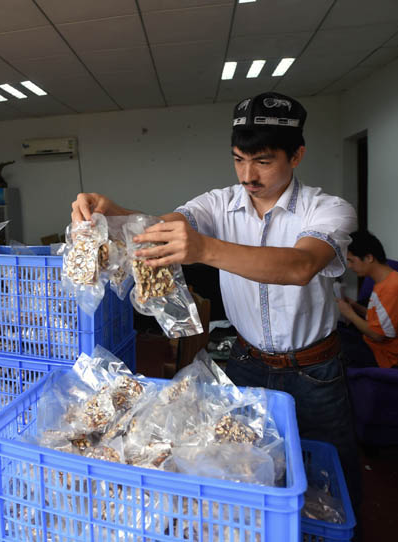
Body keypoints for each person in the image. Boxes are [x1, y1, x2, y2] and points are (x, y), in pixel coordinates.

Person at [71, 92, 361, 509]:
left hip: (314, 371)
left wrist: (204, 249)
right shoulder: (218, 204)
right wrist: (109, 212)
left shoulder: (327, 209)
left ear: (296, 155)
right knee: (239, 473)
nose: (248, 174)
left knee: (330, 482)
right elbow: (156, 227)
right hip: (246, 362)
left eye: (262, 161)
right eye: (239, 159)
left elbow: (299, 266)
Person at [338, 230, 398, 368]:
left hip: (392, 358)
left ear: (368, 258)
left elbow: (378, 335)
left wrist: (349, 313)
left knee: (333, 347)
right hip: (380, 347)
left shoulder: (392, 288)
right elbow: (383, 318)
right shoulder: (386, 280)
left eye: (351, 261)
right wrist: (354, 306)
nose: (349, 266)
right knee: (334, 334)